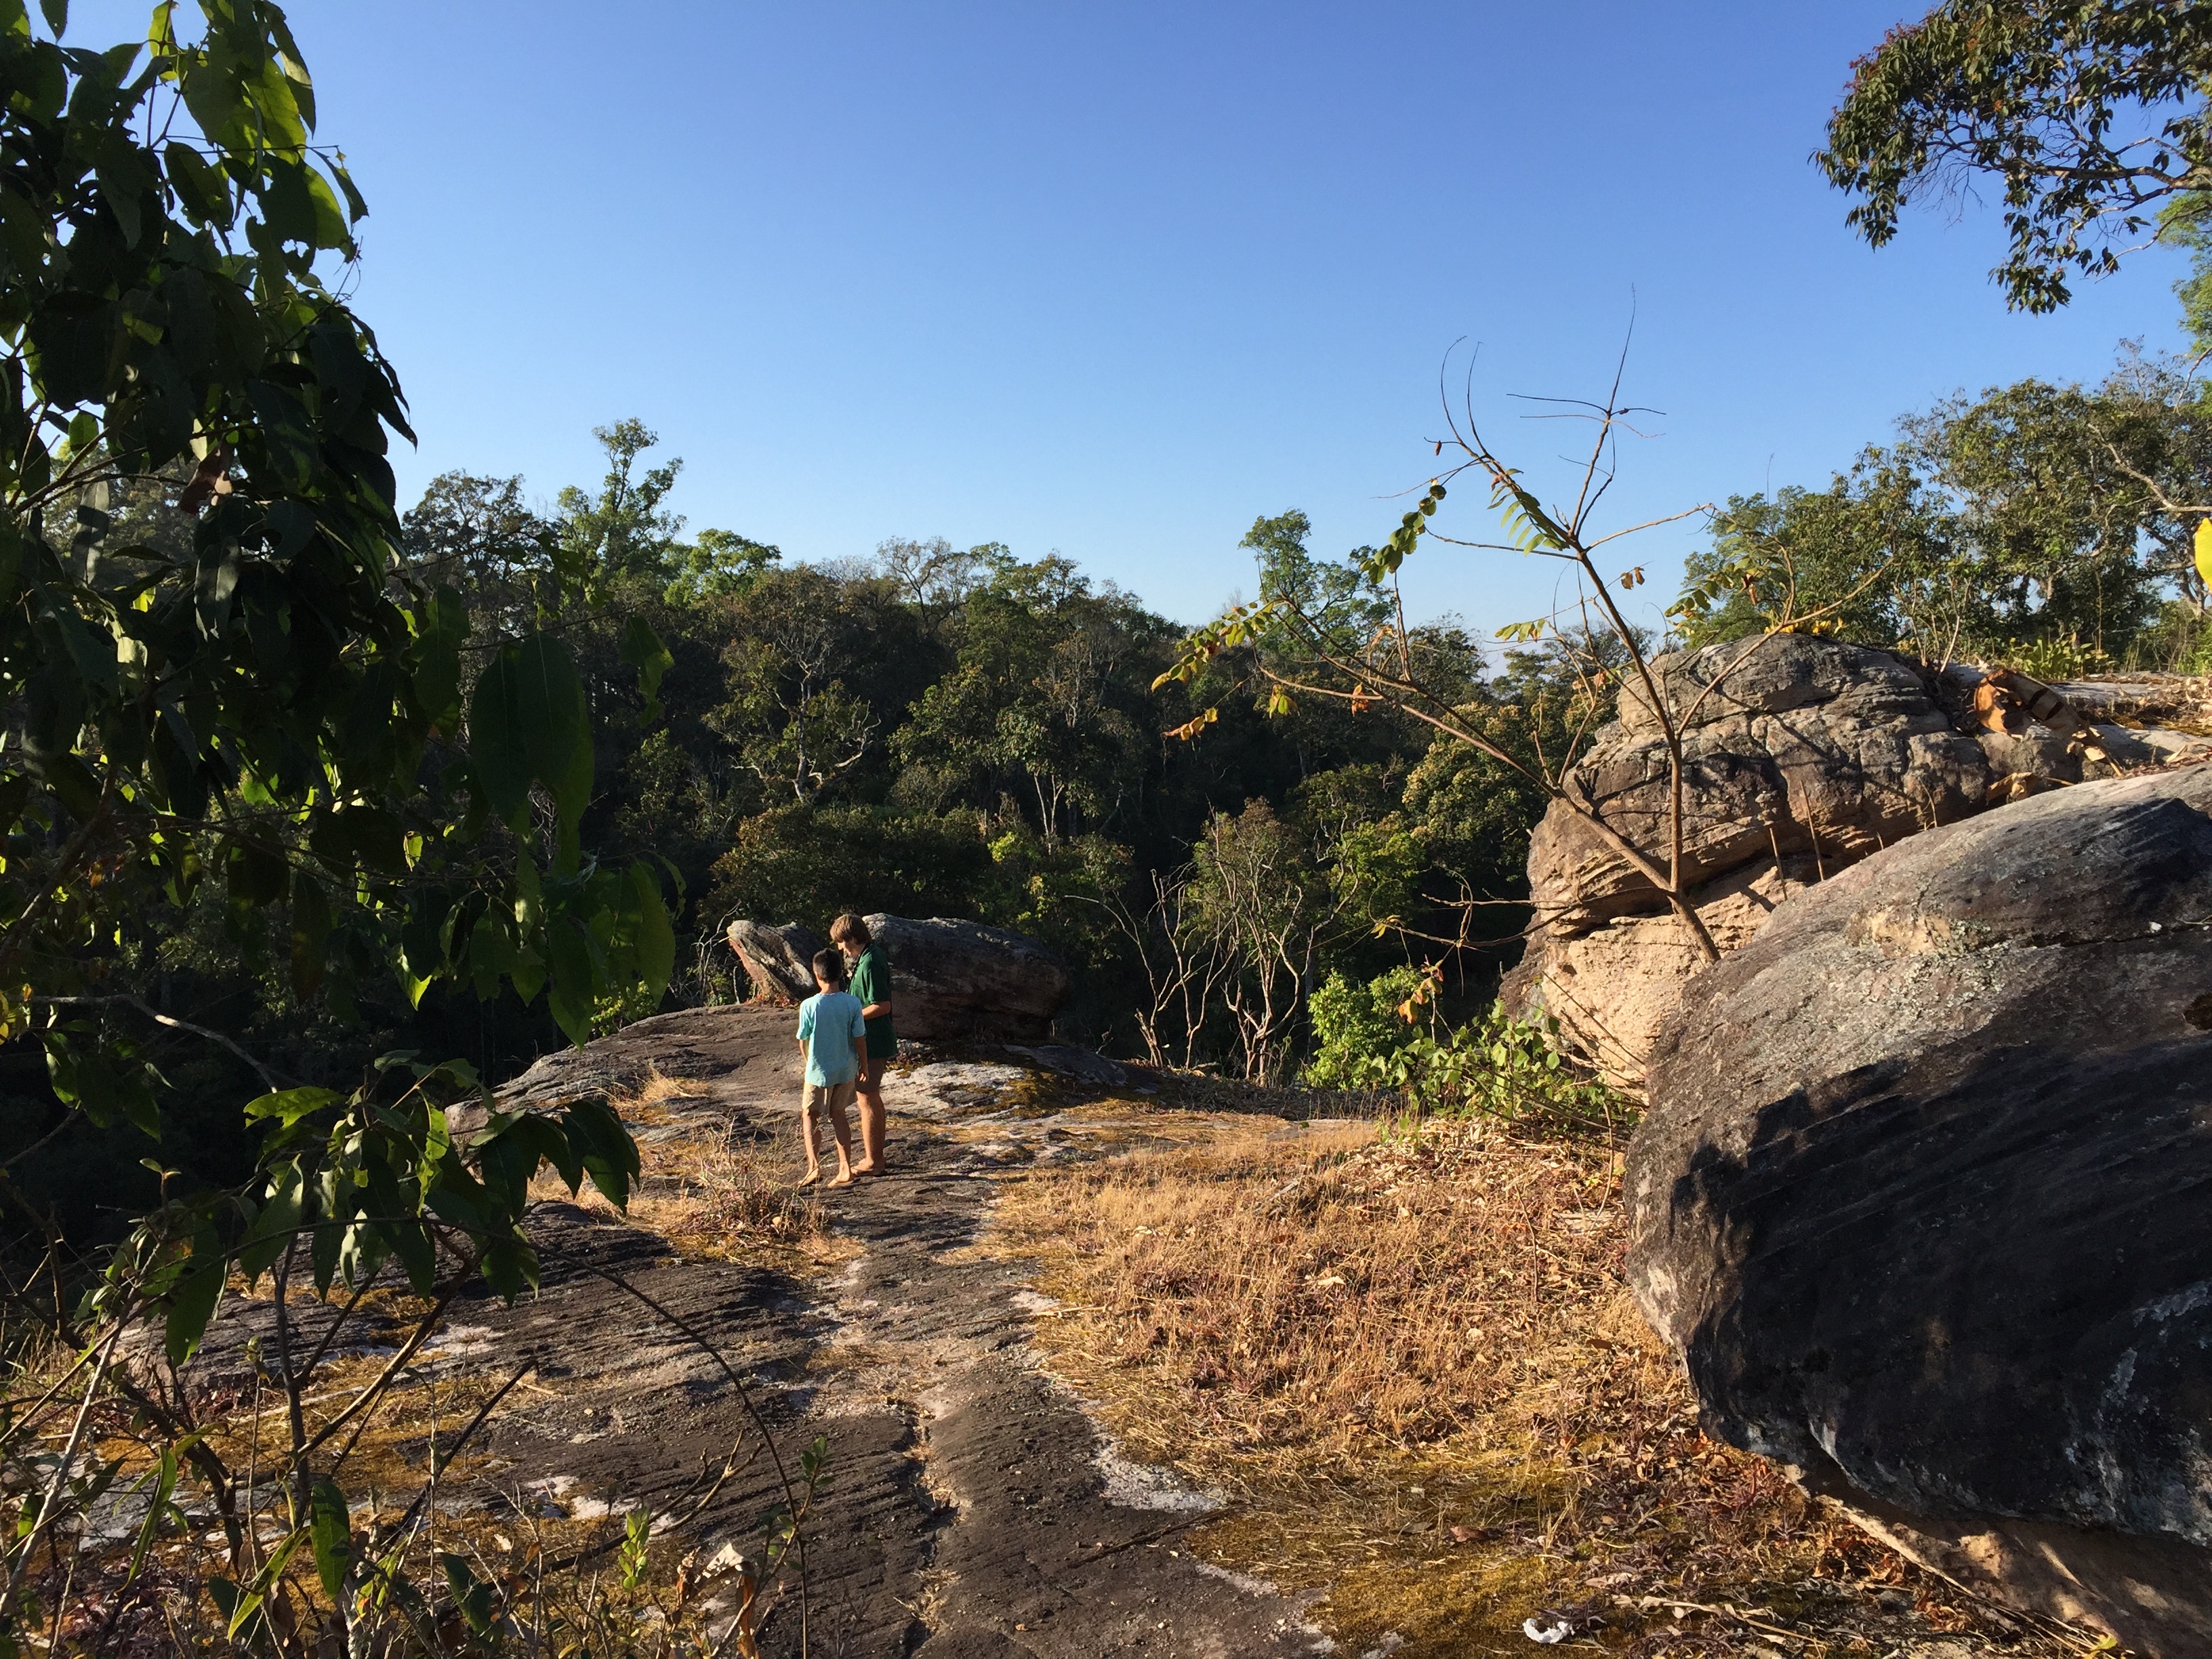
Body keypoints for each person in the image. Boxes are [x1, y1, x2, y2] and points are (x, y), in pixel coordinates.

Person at [794, 947, 867, 1188]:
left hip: (818, 1070)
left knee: (809, 1115)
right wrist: (863, 1064)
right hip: (846, 1068)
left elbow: (803, 1039)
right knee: (839, 1115)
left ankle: (814, 1167)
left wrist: (808, 1062)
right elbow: (859, 1037)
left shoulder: (809, 1005)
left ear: (816, 975)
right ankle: (845, 1167)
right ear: (840, 975)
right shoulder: (852, 1003)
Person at [830, 914, 893, 1174]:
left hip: (875, 1041)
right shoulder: (865, 959)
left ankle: (874, 1161)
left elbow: (883, 1005)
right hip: (868, 1041)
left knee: (868, 1097)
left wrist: (850, 1016)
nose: (840, 948)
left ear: (853, 938)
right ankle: (873, 1157)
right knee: (865, 1096)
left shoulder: (870, 963)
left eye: (841, 942)